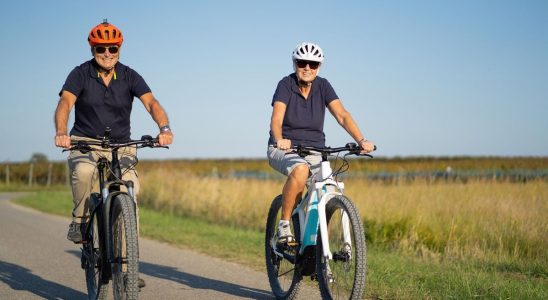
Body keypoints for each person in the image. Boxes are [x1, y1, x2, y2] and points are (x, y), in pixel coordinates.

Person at [54, 20, 173, 282]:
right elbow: (65, 103)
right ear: (92, 48)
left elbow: (151, 102)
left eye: (112, 48)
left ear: (119, 48)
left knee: (129, 191)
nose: (107, 54)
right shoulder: (80, 73)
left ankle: (128, 271)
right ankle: (80, 219)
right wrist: (62, 133)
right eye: (101, 49)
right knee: (84, 172)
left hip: (121, 145)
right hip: (85, 142)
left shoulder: (130, 75)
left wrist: (164, 128)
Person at [267, 42, 375, 246]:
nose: (307, 68)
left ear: (319, 67)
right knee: (300, 170)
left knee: (329, 189)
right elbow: (276, 119)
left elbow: (342, 115)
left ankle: (318, 250)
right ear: (294, 64)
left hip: (315, 150)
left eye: (313, 64)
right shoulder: (285, 84)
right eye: (302, 63)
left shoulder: (323, 86)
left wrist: (361, 140)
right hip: (284, 148)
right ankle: (284, 223)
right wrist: (280, 139)